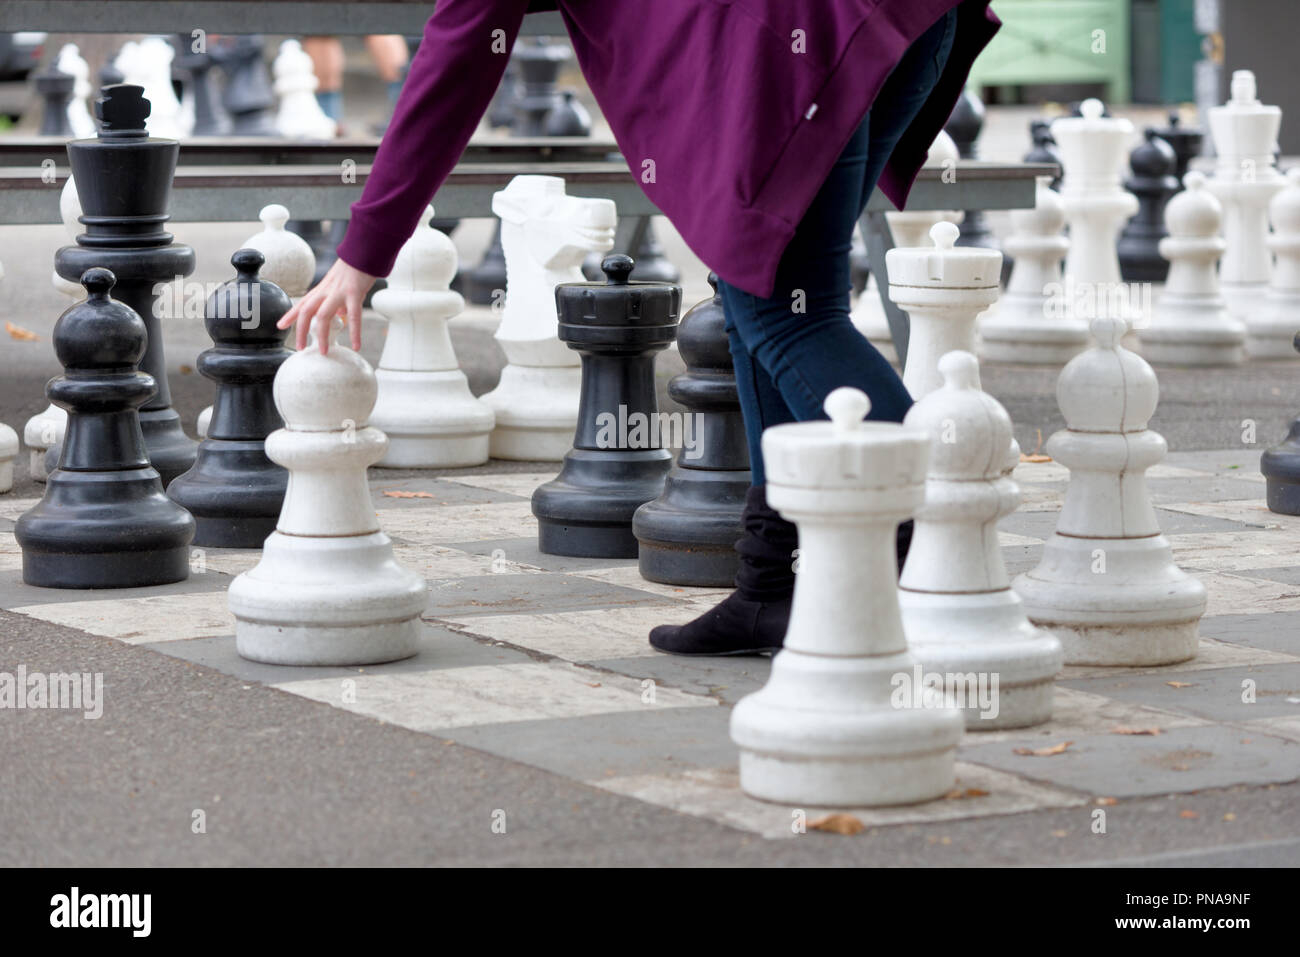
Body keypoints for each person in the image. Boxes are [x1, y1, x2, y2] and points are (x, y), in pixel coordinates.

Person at [278, 0, 999, 657]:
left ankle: (938, 556)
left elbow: (460, 54)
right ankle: (768, 589)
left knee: (788, 314)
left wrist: (362, 254)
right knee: (760, 286)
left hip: (796, 42)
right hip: (900, 20)